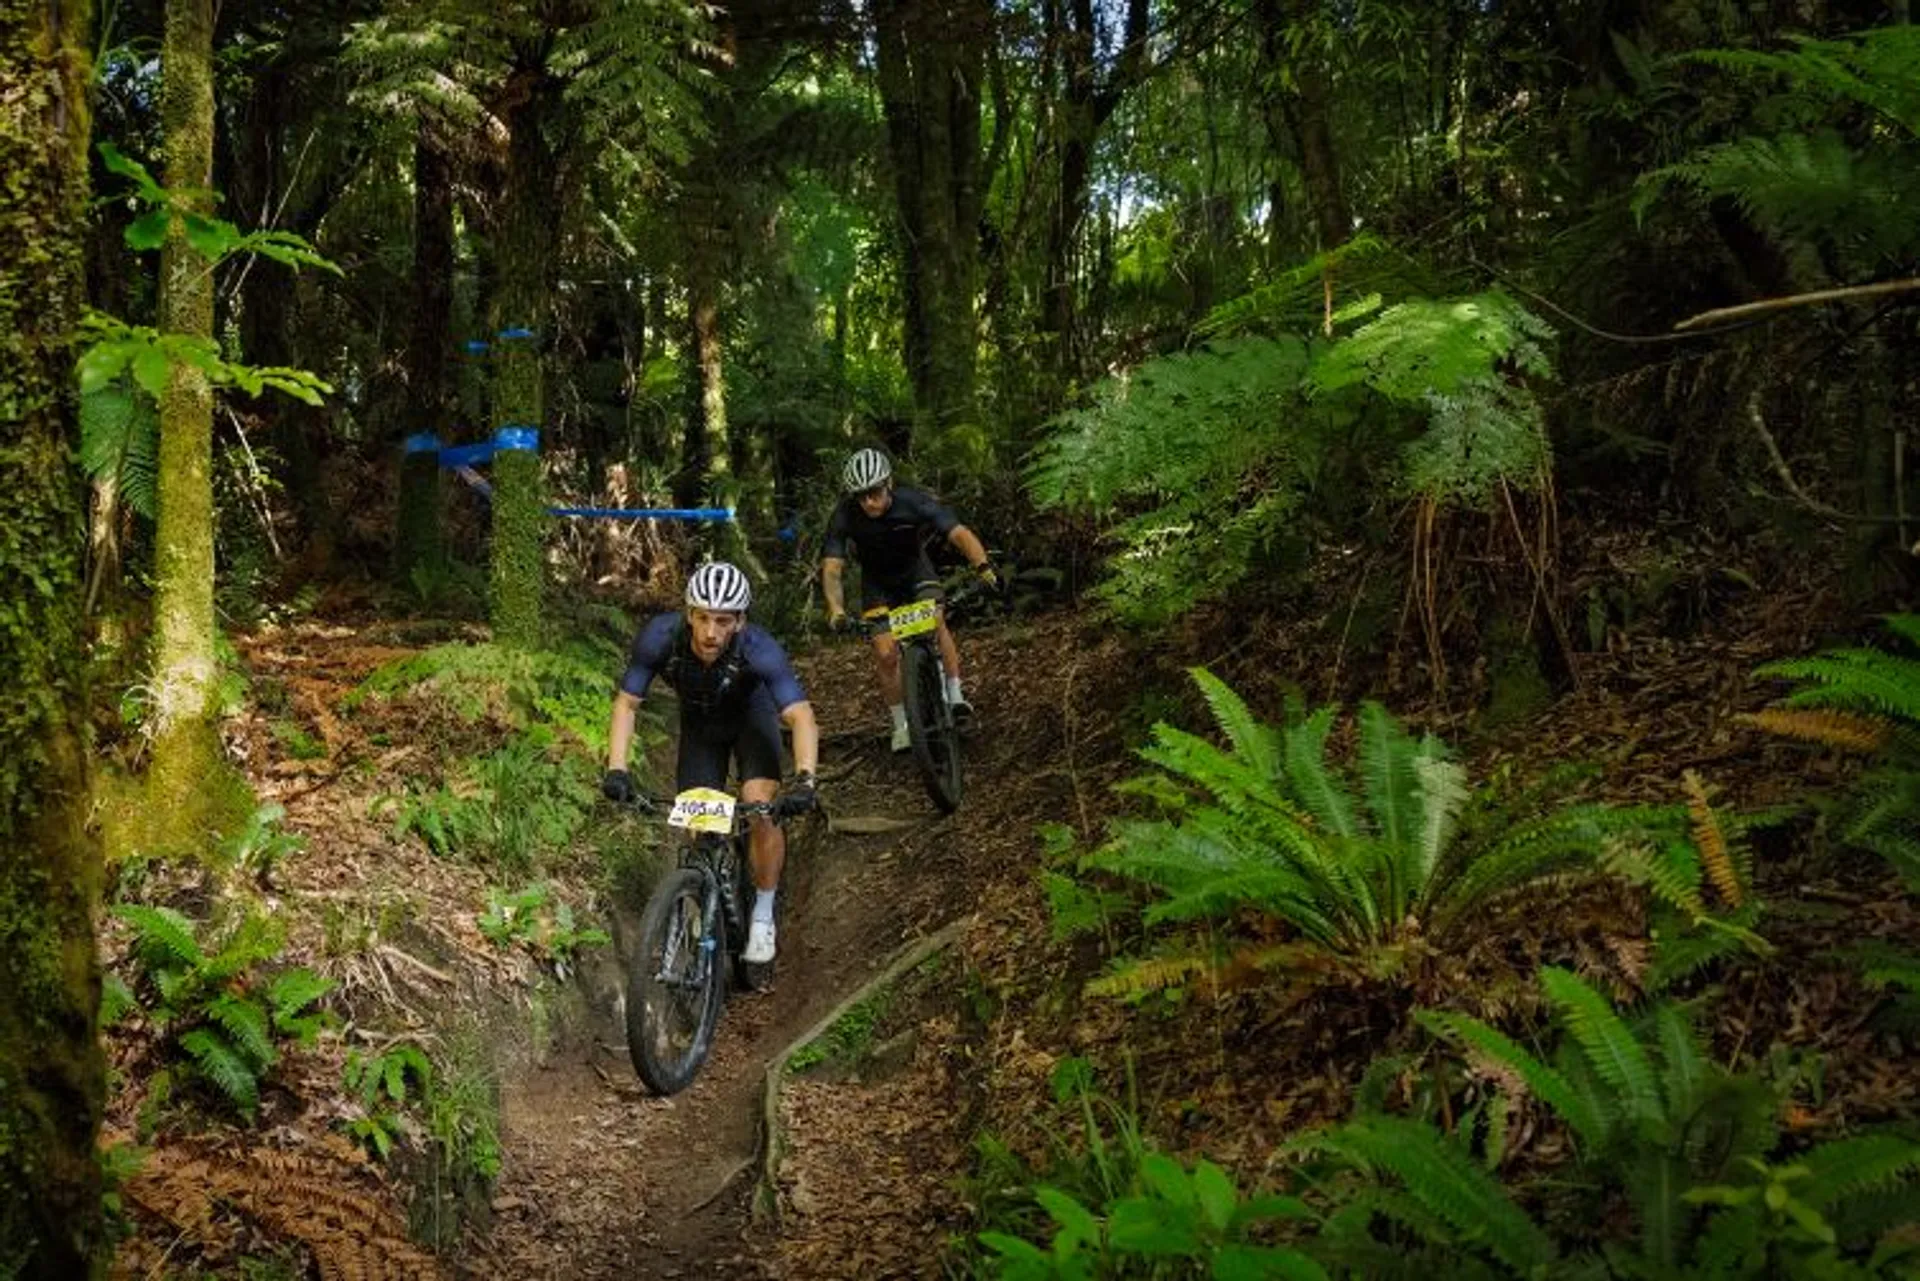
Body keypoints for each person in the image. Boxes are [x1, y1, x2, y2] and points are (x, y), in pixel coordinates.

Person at [602, 561, 819, 965]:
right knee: (698, 823)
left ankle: (763, 913)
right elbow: (627, 703)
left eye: (723, 621)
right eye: (702, 618)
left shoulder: (759, 648)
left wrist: (806, 778)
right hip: (701, 728)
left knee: (758, 806)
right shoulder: (659, 638)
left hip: (751, 721)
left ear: (740, 621)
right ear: (688, 614)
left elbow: (799, 714)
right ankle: (701, 894)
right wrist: (618, 768)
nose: (710, 632)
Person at [821, 448, 997, 752]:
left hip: (916, 574)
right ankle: (901, 724)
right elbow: (833, 569)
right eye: (860, 496)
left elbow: (957, 532)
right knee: (885, 652)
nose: (868, 502)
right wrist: (835, 609)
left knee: (934, 619)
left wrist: (983, 567)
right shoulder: (845, 514)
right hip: (878, 585)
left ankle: (955, 695)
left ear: (888, 483)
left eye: (874, 493)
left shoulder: (911, 501)